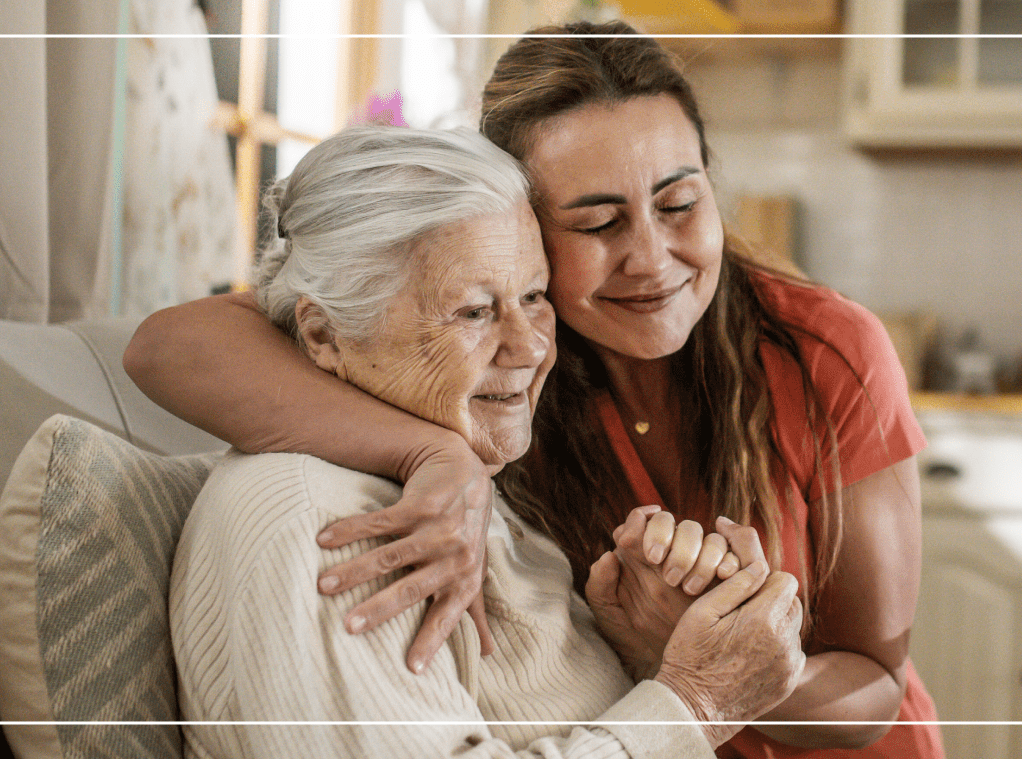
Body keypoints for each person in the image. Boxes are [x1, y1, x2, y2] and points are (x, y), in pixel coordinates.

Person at [129, 21, 943, 759]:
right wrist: (433, 454)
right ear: (529, 225)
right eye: (596, 223)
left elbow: (877, 681)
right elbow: (171, 344)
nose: (653, 257)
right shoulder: (491, 383)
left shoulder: (817, 350)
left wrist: (717, 662)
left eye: (681, 203)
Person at [168, 126, 805, 758]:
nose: (530, 345)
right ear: (325, 336)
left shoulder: (452, 478)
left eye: (533, 296)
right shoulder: (328, 531)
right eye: (473, 312)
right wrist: (695, 702)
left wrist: (644, 651)